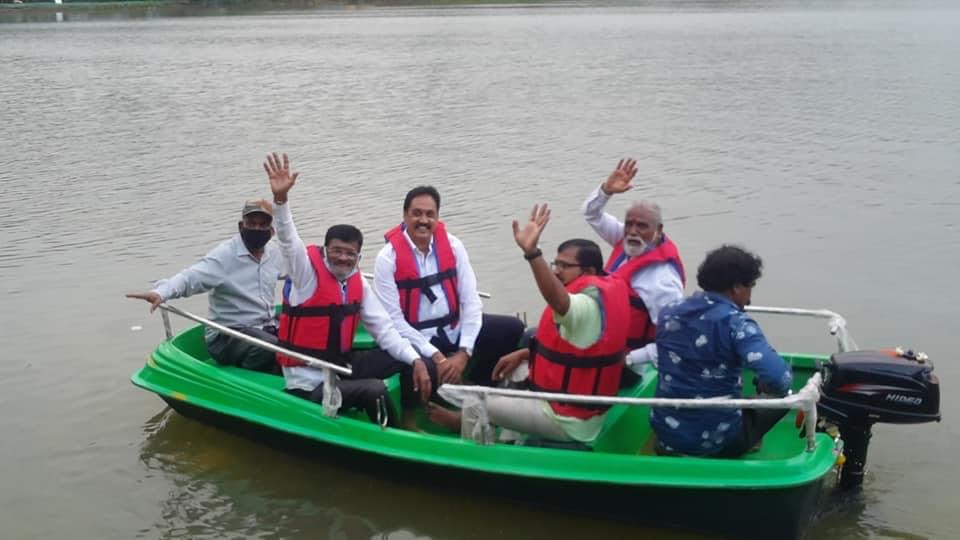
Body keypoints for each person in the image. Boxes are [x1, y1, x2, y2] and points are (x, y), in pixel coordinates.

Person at [432, 204, 630, 444]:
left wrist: (533, 253)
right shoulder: (603, 291)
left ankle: (474, 457)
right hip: (578, 408)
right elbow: (573, 350)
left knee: (475, 400)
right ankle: (509, 440)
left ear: (588, 270)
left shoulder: (585, 305)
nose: (556, 271)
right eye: (554, 264)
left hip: (568, 420)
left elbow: (558, 300)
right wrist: (526, 353)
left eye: (564, 266)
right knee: (514, 370)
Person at [265, 153, 432, 427]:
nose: (343, 258)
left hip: (341, 367)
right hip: (308, 383)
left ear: (358, 256)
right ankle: (393, 435)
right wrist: (281, 201)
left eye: (350, 254)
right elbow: (287, 239)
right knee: (375, 389)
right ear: (325, 250)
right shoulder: (305, 272)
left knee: (410, 357)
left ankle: (412, 418)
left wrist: (416, 360)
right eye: (337, 252)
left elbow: (385, 330)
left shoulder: (356, 281)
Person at [374, 185, 525, 388]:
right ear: (405, 215)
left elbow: (471, 302)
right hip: (416, 336)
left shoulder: (454, 246)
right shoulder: (387, 258)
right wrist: (436, 356)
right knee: (420, 366)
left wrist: (464, 353)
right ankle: (417, 411)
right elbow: (394, 321)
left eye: (430, 214)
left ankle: (479, 384)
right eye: (416, 214)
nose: (423, 221)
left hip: (454, 328)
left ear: (437, 217)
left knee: (512, 329)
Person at [651, 245, 793, 457]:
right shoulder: (737, 324)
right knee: (785, 396)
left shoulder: (668, 313)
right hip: (715, 440)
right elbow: (780, 378)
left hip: (666, 433)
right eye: (750, 286)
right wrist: (767, 386)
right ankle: (746, 445)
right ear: (737, 287)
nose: (750, 297)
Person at [126, 199, 286, 373]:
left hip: (265, 325)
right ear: (241, 226)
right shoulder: (225, 256)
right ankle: (248, 377)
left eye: (262, 225)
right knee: (267, 347)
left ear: (271, 231)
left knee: (300, 339)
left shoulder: (274, 253)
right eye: (251, 224)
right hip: (227, 335)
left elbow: (299, 271)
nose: (257, 229)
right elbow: (191, 277)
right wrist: (160, 292)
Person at [581, 158, 685, 378]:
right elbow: (591, 214)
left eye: (642, 226)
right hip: (600, 339)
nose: (633, 231)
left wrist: (629, 359)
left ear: (659, 230)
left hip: (629, 363)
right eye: (629, 224)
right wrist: (605, 192)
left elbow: (676, 340)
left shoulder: (662, 281)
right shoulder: (625, 240)